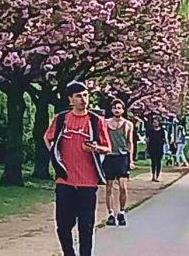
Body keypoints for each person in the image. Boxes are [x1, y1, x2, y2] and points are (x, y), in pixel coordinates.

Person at [44, 81, 111, 256]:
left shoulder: (96, 121)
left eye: (86, 95)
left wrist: (95, 148)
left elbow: (107, 147)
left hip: (88, 183)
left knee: (86, 226)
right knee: (63, 225)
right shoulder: (61, 119)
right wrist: (54, 154)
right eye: (79, 96)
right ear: (70, 99)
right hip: (65, 180)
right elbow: (48, 138)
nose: (83, 100)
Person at [104, 99, 135, 226]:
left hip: (122, 157)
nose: (117, 110)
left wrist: (131, 160)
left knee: (123, 186)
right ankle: (110, 213)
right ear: (112, 109)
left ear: (123, 110)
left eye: (119, 108)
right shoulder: (105, 123)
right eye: (115, 107)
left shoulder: (128, 124)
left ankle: (121, 211)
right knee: (109, 187)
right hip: (110, 156)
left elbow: (130, 142)